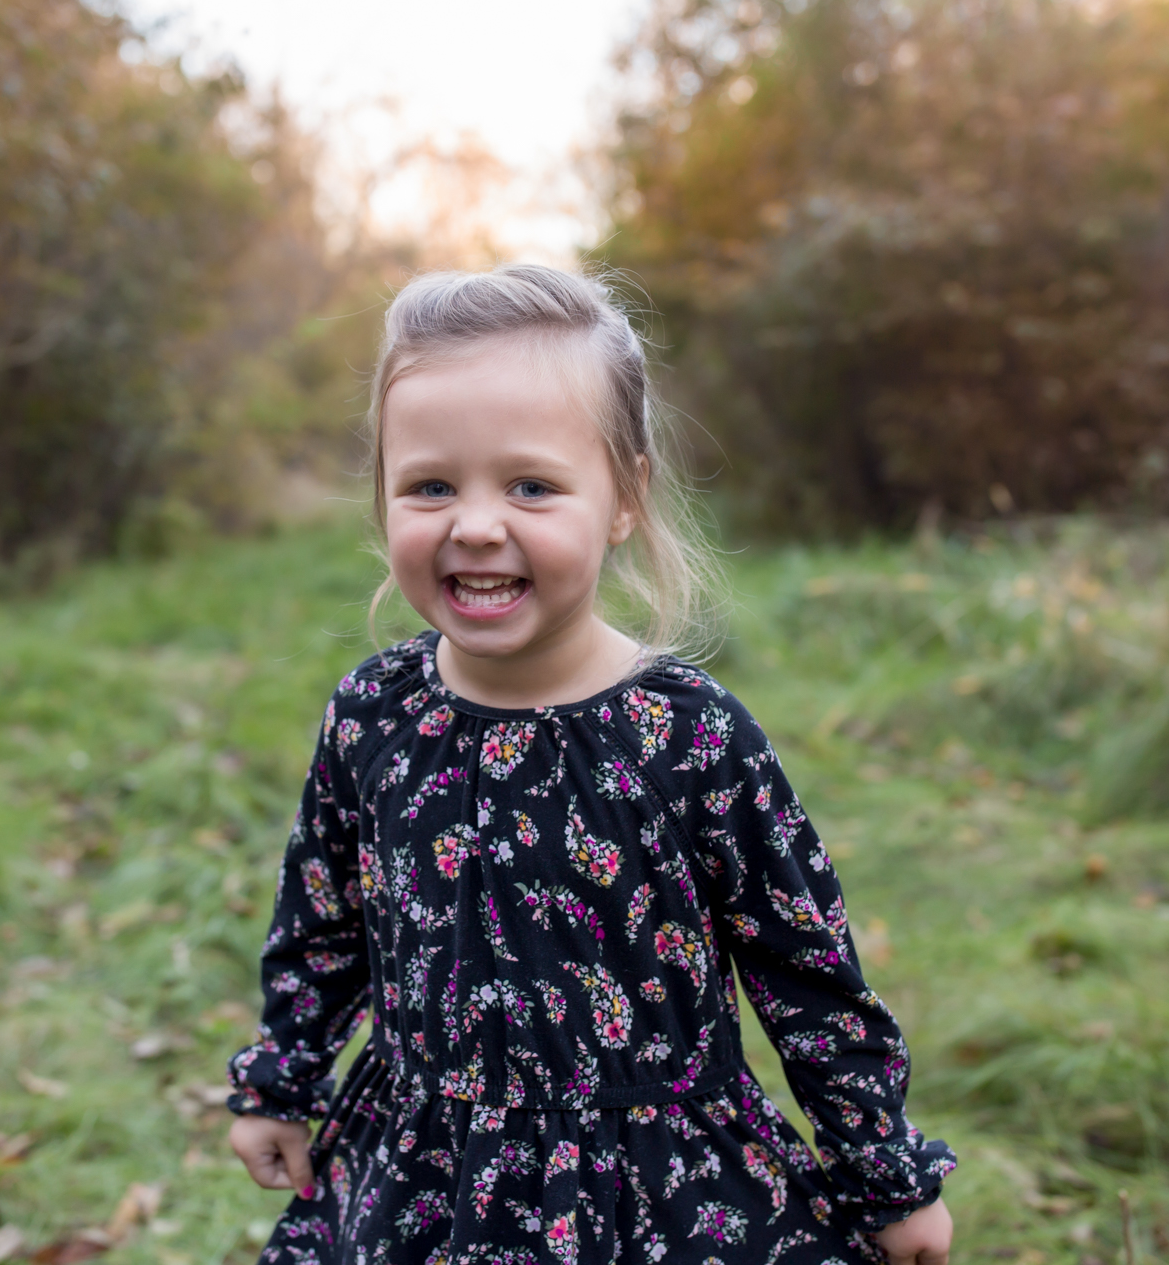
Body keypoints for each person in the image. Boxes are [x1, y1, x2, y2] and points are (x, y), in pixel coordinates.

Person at [226, 264, 956, 1265]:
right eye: (429, 486)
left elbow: (805, 971)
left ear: (622, 497)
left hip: (652, 1190)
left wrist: (883, 1175)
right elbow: (322, 920)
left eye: (530, 485)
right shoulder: (374, 716)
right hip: (423, 1179)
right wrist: (281, 1082)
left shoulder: (686, 735)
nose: (475, 524)